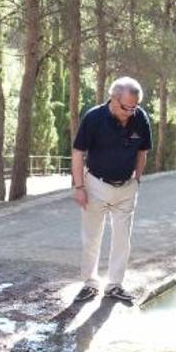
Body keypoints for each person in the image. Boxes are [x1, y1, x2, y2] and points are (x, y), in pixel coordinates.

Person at [71, 77, 152, 302]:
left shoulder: (140, 118)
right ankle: (90, 282)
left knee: (122, 239)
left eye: (135, 106)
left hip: (126, 187)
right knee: (92, 237)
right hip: (95, 184)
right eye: (127, 107)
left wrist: (137, 180)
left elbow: (142, 152)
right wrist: (79, 186)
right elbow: (78, 152)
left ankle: (115, 284)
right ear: (114, 100)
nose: (132, 112)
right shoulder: (94, 117)